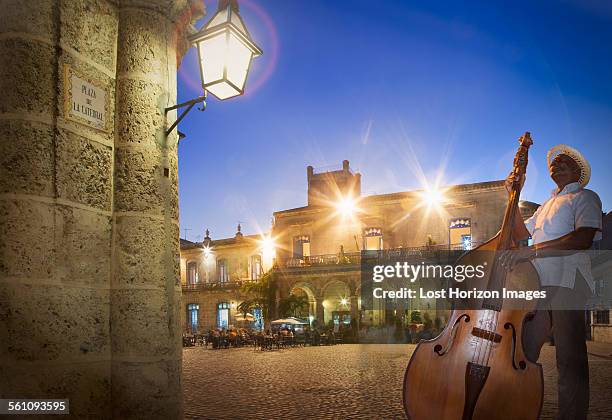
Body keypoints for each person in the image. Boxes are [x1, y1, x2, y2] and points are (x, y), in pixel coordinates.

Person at [502, 144, 602, 420]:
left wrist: (532, 251)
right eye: (553, 162)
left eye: (563, 161)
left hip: (570, 283)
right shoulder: (546, 205)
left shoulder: (586, 197)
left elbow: (582, 239)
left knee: (570, 360)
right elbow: (520, 234)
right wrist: (512, 195)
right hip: (540, 286)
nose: (555, 164)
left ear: (578, 170)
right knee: (523, 353)